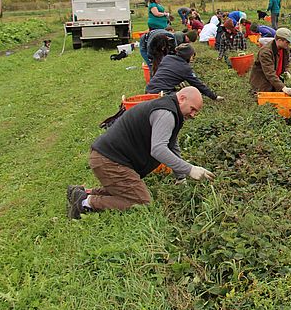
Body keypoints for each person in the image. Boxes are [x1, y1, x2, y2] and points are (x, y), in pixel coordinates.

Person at [66, 87, 215, 219]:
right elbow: (158, 149)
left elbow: (172, 146)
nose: (194, 114)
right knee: (141, 202)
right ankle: (85, 202)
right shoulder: (166, 114)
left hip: (109, 157)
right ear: (182, 99)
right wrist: (190, 169)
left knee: (128, 190)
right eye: (193, 109)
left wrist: (181, 178)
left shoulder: (171, 110)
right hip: (109, 161)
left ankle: (83, 192)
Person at [146, 43, 223, 100]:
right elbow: (198, 84)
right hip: (161, 95)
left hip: (149, 90)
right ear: (188, 56)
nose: (193, 58)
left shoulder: (167, 58)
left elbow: (166, 73)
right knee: (187, 97)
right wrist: (214, 97)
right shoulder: (185, 68)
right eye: (193, 56)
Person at [249, 28, 291, 96]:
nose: (289, 44)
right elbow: (269, 73)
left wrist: (286, 71)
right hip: (263, 82)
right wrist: (283, 88)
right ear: (279, 40)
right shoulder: (266, 52)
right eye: (287, 42)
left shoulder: (285, 48)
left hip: (275, 79)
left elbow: (286, 62)